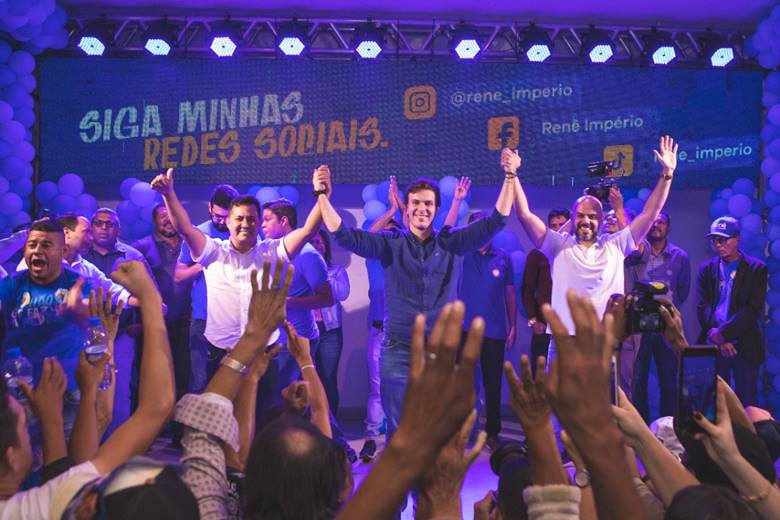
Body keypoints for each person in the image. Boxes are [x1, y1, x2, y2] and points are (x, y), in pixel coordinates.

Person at [318, 154, 515, 440]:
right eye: (416, 203)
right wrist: (322, 197)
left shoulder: (450, 242)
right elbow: (345, 236)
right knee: (400, 434)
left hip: (441, 350)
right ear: (407, 209)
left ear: (436, 209)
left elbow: (497, 221)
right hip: (398, 348)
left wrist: (510, 177)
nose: (422, 209)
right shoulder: (390, 243)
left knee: (442, 430)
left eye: (428, 204)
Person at [0, 260, 176, 519]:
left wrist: (51, 421)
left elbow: (59, 471)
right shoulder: (46, 506)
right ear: (11, 457)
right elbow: (155, 408)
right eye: (24, 428)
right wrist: (149, 296)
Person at [149, 166, 326, 380]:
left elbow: (308, 231)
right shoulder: (214, 251)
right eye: (239, 218)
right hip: (219, 349)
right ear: (229, 222)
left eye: (251, 219)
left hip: (262, 350)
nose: (245, 224)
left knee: (264, 402)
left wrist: (322, 195)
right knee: (212, 399)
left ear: (259, 223)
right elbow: (184, 228)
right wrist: (168, 194)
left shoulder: (272, 251)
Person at [509, 136, 678, 342]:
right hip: (565, 340)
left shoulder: (615, 245)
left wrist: (667, 173)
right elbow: (524, 215)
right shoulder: (558, 245)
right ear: (572, 218)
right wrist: (512, 174)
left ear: (601, 219)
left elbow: (650, 214)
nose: (586, 221)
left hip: (604, 340)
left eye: (592, 216)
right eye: (580, 215)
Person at [0, 219, 90, 437]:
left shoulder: (77, 283)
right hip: (21, 388)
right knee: (22, 453)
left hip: (68, 391)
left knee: (68, 455)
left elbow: (94, 311)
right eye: (32, 245)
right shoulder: (12, 284)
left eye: (46, 245)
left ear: (63, 251)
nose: (37, 251)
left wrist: (78, 307)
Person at [458, 210, 517, 452]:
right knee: (465, 385)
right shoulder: (462, 255)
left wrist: (513, 325)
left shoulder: (503, 258)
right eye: (476, 228)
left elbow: (510, 292)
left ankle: (492, 432)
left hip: (494, 331)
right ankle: (466, 431)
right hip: (465, 331)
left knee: (493, 385)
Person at [625, 212, 691, 422]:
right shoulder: (634, 254)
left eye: (660, 223)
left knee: (669, 381)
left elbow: (683, 291)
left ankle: (669, 427)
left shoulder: (680, 257)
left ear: (668, 228)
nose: (656, 226)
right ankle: (642, 427)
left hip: (666, 325)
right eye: (652, 222)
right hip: (638, 326)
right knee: (637, 381)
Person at [174, 184, 239, 393]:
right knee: (200, 383)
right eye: (217, 216)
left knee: (234, 385)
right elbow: (179, 276)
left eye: (227, 217)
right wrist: (207, 260)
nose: (221, 221)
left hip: (236, 319)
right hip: (203, 318)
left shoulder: (244, 233)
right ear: (210, 207)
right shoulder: (198, 234)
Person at [696, 216, 767, 406]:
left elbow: (753, 308)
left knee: (746, 401)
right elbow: (703, 307)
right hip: (714, 342)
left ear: (737, 239)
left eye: (724, 240)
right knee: (715, 402)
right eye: (715, 241)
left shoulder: (756, 269)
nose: (719, 245)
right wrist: (719, 337)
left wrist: (724, 334)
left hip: (744, 343)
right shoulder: (706, 269)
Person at [133, 204, 192, 406]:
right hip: (153, 325)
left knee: (183, 378)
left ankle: (178, 425)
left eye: (171, 215)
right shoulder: (140, 247)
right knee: (151, 378)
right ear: (154, 220)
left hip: (186, 324)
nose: (167, 220)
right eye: (162, 216)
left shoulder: (190, 245)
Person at [521, 208, 568, 377]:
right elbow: (527, 290)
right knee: (541, 378)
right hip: (543, 326)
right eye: (553, 226)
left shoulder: (577, 254)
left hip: (569, 327)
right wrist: (533, 321)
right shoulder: (537, 255)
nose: (558, 229)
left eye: (562, 224)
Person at [310, 228, 350, 415]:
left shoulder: (336, 270)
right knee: (307, 378)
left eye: (319, 242)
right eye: (312, 243)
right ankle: (310, 423)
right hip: (307, 329)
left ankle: (332, 425)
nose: (316, 246)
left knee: (328, 378)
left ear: (325, 246)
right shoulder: (301, 267)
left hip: (330, 331)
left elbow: (343, 293)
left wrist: (323, 272)